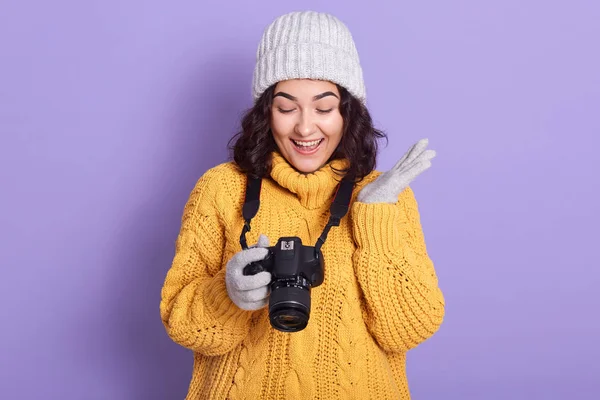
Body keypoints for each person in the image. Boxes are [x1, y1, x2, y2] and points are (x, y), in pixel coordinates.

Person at [160, 10, 445, 400]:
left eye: (324, 108)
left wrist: (375, 216)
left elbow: (409, 328)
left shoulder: (386, 195)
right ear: (266, 112)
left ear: (348, 113)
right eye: (287, 107)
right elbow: (182, 323)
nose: (305, 128)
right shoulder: (222, 188)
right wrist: (227, 294)